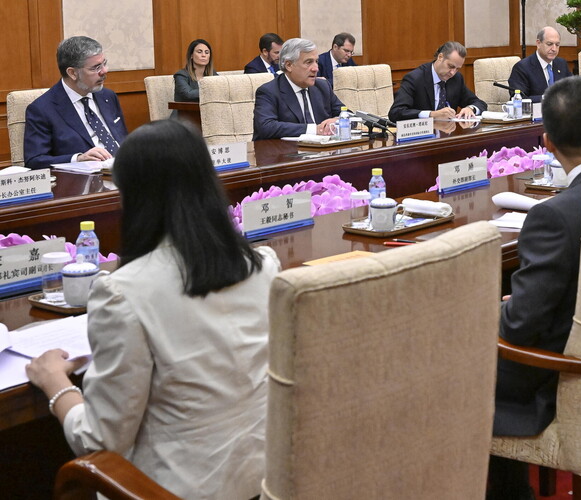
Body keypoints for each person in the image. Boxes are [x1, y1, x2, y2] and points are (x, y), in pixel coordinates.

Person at [25, 120, 279, 500]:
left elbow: (99, 439)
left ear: (133, 197)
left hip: (167, 490)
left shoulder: (123, 292)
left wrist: (55, 384)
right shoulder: (263, 265)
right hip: (264, 480)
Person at [490, 77, 581, 499]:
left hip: (567, 372)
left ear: (547, 142)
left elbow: (518, 329)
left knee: (447, 361)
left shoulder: (554, 216)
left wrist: (485, 314)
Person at [23, 36, 128, 169]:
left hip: (126, 172)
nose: (104, 71)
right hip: (87, 181)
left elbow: (123, 140)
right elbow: (34, 161)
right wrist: (78, 159)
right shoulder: (42, 109)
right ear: (72, 73)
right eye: (95, 68)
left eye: (104, 63)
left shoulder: (108, 96)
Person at [253, 38, 346, 139]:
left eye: (316, 61)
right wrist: (314, 129)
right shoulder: (269, 91)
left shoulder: (322, 86)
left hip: (324, 151)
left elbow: (347, 113)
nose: (316, 68)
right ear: (289, 65)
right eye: (308, 62)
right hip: (283, 152)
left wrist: (338, 120)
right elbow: (266, 127)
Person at [388, 41, 486, 122]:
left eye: (457, 69)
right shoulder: (415, 78)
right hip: (421, 138)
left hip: (448, 136)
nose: (452, 73)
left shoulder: (456, 79)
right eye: (451, 66)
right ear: (440, 57)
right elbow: (396, 113)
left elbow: (480, 103)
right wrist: (432, 114)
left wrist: (470, 108)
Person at [507, 26, 570, 101]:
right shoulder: (522, 67)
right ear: (538, 43)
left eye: (557, 45)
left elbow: (572, 89)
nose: (554, 49)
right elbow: (519, 99)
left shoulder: (561, 64)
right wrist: (547, 98)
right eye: (549, 44)